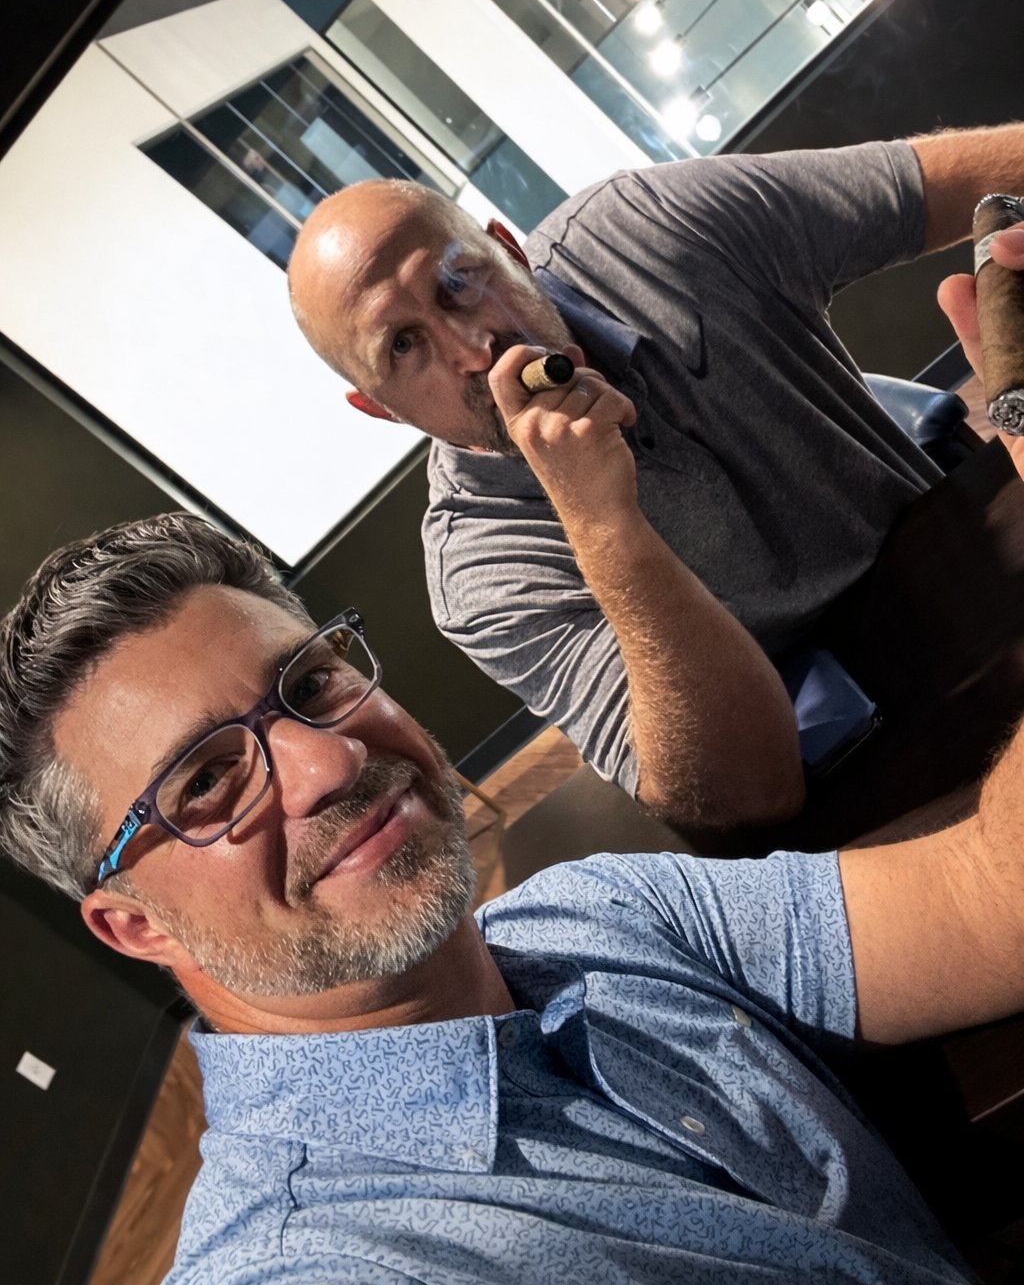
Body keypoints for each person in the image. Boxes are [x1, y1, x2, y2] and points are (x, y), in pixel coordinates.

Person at [1, 250, 1023, 1278]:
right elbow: (743, 781)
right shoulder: (320, 1259)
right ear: (135, 925)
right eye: (206, 784)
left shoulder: (591, 917)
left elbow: (988, 894)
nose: (328, 762)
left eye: (310, 681)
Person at [286, 126, 1024, 829]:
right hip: (850, 765)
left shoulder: (648, 227)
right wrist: (602, 523)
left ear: (510, 250)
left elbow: (978, 173)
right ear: (380, 409)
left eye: (459, 282)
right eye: (404, 345)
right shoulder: (480, 571)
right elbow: (742, 791)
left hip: (978, 573)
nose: (475, 349)